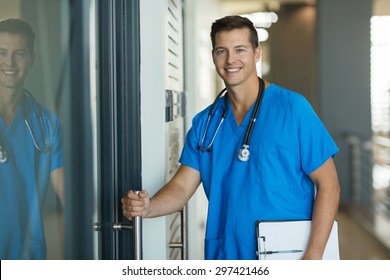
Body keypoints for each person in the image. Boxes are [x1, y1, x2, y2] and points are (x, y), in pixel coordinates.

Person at [121, 15, 340, 260]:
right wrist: (149, 207)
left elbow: (329, 185)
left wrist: (313, 255)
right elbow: (182, 187)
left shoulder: (292, 109)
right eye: (221, 51)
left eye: (240, 50)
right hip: (228, 253)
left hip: (289, 253)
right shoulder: (206, 123)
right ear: (213, 56)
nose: (230, 60)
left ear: (257, 53)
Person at [0, 18, 64, 259]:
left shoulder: (46, 124)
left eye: (20, 54)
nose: (10, 62)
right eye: (2, 52)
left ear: (32, 59)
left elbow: (66, 191)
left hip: (27, 256)